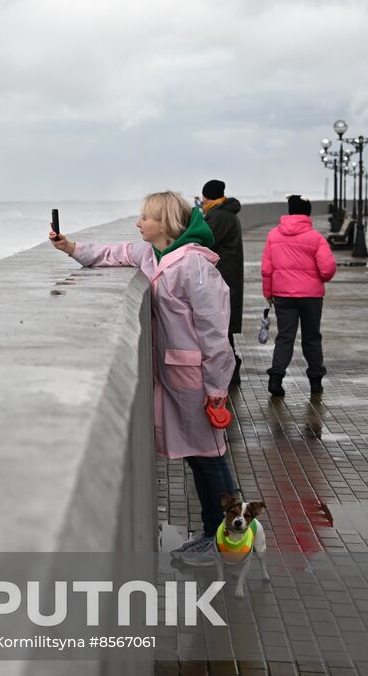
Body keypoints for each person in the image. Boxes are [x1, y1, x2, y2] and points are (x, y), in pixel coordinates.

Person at [50, 191, 236, 567]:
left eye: (145, 218)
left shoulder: (195, 266)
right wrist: (70, 247)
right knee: (201, 458)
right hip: (174, 375)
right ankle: (215, 533)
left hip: (197, 379)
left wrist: (217, 389)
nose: (138, 224)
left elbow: (216, 333)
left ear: (165, 224)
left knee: (210, 457)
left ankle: (223, 537)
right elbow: (111, 253)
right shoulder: (153, 255)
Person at [261, 195, 336, 397]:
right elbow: (327, 269)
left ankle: (276, 378)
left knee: (284, 338)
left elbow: (267, 269)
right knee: (312, 339)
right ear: (308, 213)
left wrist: (268, 293)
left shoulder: (274, 235)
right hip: (311, 297)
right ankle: (315, 381)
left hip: (283, 295)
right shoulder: (316, 238)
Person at [200, 180, 244, 388]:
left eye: (203, 196)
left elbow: (206, 240)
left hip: (224, 277)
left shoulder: (219, 216)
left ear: (208, 196)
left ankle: (232, 371)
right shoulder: (224, 213)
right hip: (227, 276)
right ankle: (231, 370)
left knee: (222, 326)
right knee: (223, 327)